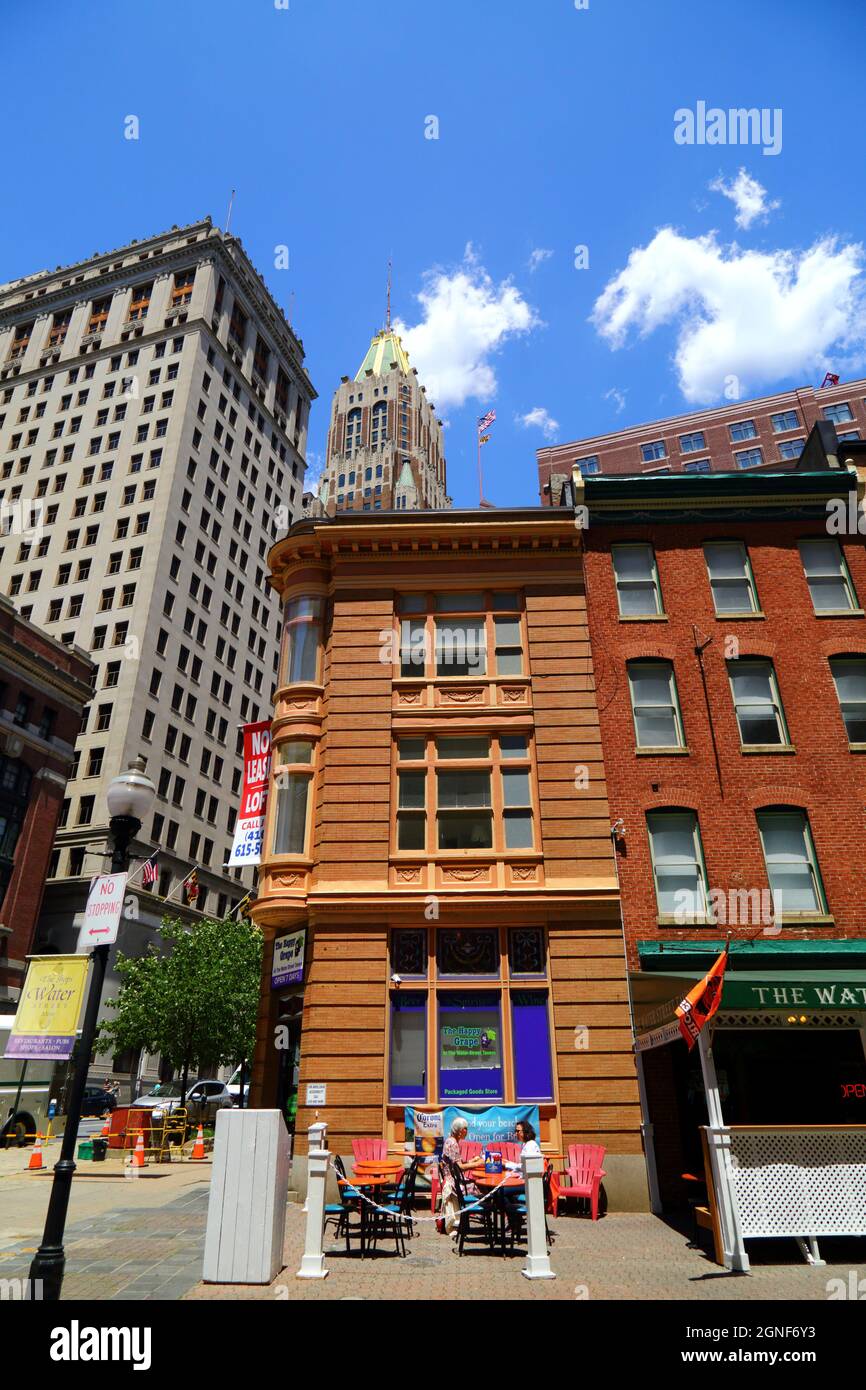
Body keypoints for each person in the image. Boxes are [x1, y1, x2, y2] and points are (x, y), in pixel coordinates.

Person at [501, 1119, 542, 1233]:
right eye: (515, 1131)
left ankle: (514, 1220)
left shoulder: (531, 1146)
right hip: (523, 1180)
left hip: (529, 1183)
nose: (516, 1133)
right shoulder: (525, 1145)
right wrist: (510, 1165)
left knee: (501, 1192)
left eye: (518, 1131)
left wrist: (508, 1164)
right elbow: (523, 1166)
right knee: (507, 1193)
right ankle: (515, 1219)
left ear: (526, 1131)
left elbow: (527, 1167)